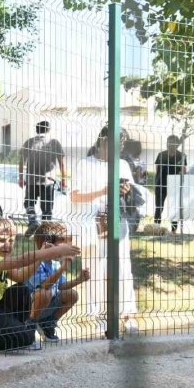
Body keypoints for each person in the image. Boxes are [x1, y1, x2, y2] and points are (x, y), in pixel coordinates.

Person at [0, 218, 80, 352]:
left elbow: (21, 277)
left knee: (21, 290)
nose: (7, 245)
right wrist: (53, 252)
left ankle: (17, 334)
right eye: (1, 240)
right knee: (27, 338)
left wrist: (40, 256)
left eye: (11, 241)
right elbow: (22, 260)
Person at [70, 131, 140, 336]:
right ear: (103, 141)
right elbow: (74, 196)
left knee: (123, 268)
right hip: (94, 224)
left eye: (121, 144)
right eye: (114, 143)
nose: (118, 147)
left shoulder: (124, 164)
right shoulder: (85, 164)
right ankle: (99, 317)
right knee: (95, 270)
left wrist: (127, 191)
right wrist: (103, 191)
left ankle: (128, 316)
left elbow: (133, 194)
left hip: (119, 222)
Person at [25, 222, 90, 342]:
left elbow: (60, 286)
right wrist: (63, 268)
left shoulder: (54, 263)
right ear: (47, 243)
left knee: (72, 294)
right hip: (29, 309)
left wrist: (79, 279)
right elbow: (44, 286)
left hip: (46, 305)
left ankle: (47, 324)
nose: (68, 245)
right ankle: (30, 327)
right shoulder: (35, 262)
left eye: (69, 241)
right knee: (45, 293)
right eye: (63, 241)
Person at [18, 121, 65, 235]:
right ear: (48, 130)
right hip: (48, 181)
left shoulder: (29, 142)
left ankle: (33, 221)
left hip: (31, 180)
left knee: (29, 203)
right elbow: (61, 163)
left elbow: (21, 161)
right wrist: (64, 180)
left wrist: (20, 177)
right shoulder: (54, 143)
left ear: (36, 130)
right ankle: (45, 233)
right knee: (47, 209)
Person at [153, 135, 187, 232]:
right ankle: (156, 228)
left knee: (174, 208)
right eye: (169, 143)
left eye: (173, 143)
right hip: (161, 183)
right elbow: (157, 169)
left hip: (174, 184)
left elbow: (184, 171)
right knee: (159, 207)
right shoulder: (161, 155)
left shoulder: (182, 156)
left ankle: (173, 231)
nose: (170, 145)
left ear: (177, 145)